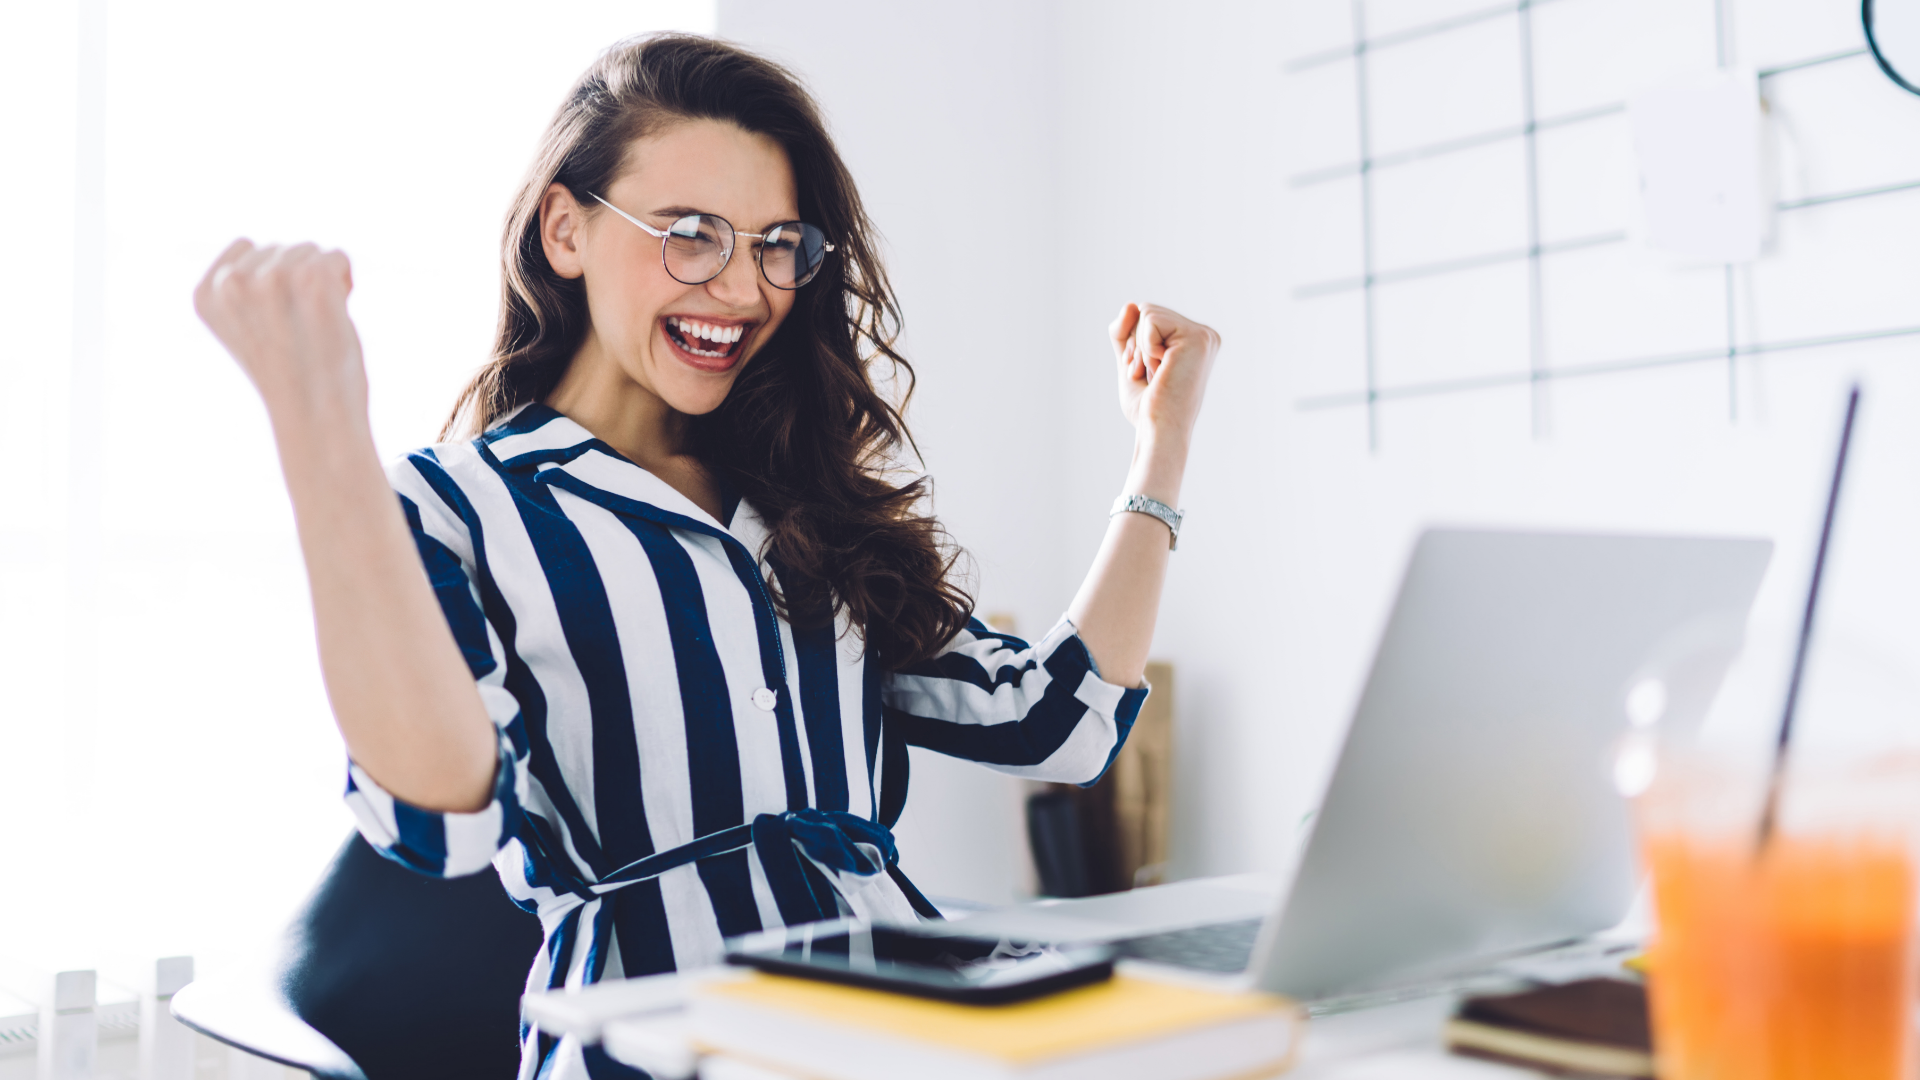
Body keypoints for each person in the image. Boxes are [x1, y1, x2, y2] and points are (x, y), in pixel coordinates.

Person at [193, 32, 1219, 1080]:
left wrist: (1162, 443)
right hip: (655, 1041)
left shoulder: (809, 501)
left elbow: (1057, 724)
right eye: (690, 234)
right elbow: (443, 818)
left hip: (903, 1023)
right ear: (566, 230)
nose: (741, 288)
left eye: (776, 243)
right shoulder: (459, 506)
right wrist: (325, 444)